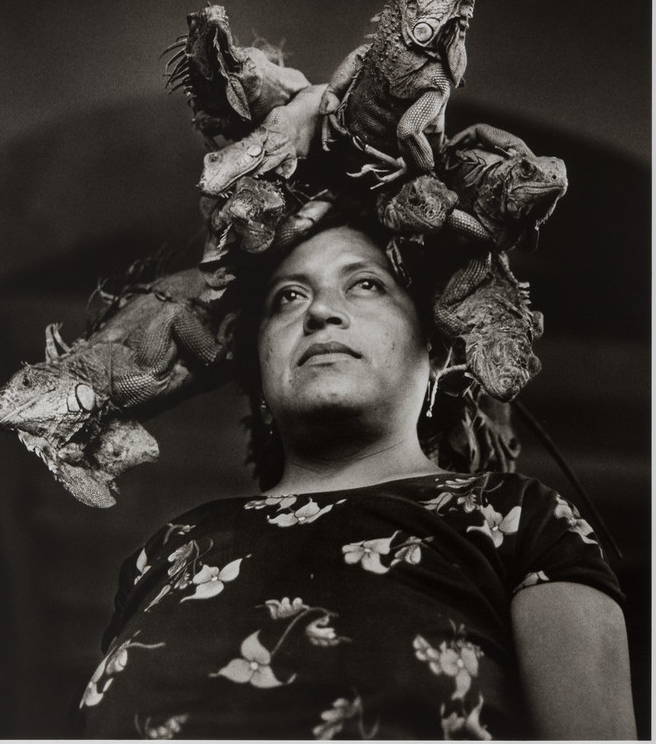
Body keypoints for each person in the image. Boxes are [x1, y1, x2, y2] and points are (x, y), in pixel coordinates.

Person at [77, 213, 636, 740]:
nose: (319, 312)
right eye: (288, 297)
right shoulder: (171, 548)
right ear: (260, 373)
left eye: (366, 284)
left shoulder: (518, 519)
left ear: (435, 353)